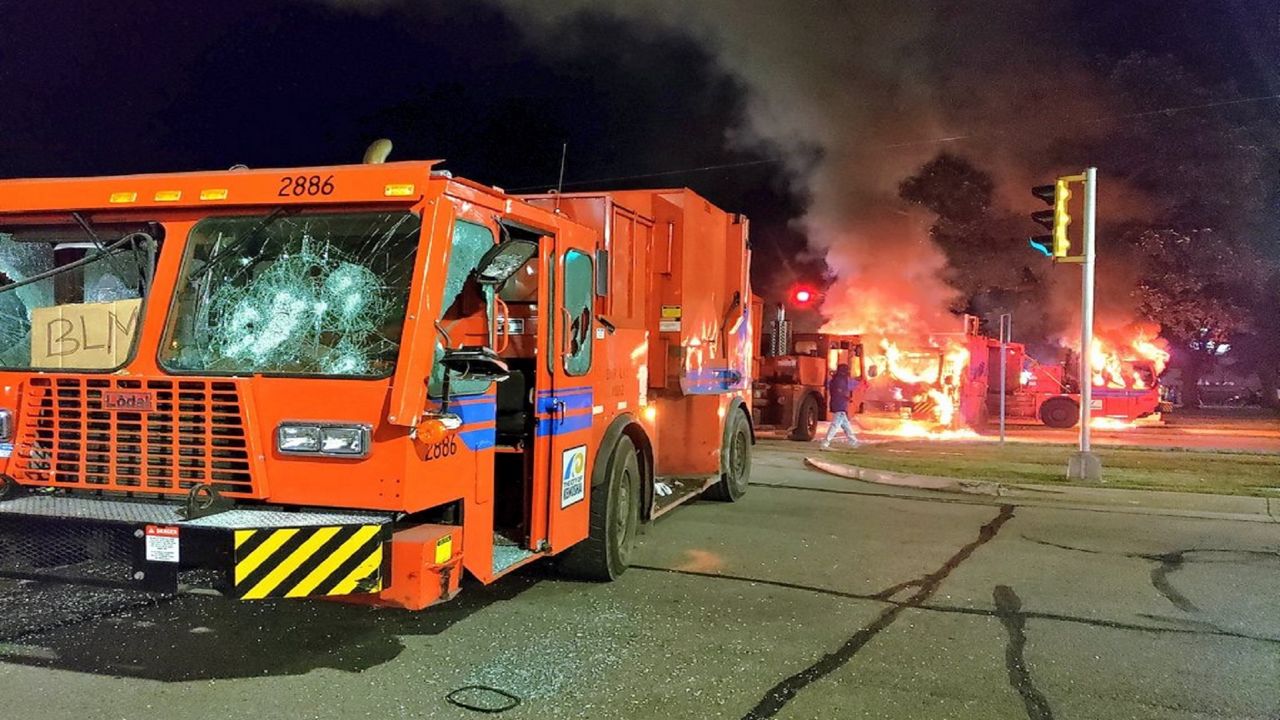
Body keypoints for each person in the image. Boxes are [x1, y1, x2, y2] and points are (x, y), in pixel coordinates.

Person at [822, 363, 860, 449]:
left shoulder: (835, 379)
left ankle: (854, 442)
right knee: (835, 425)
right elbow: (840, 391)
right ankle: (825, 443)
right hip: (840, 405)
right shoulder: (841, 380)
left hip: (837, 403)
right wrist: (847, 398)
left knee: (846, 425)